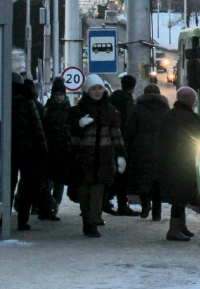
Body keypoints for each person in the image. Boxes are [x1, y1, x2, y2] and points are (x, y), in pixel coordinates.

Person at [68, 74, 127, 238]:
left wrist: (121, 154)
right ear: (87, 91)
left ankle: (93, 222)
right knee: (84, 193)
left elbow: (116, 134)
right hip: (83, 158)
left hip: (103, 157)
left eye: (99, 88)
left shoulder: (110, 111)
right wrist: (78, 126)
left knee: (97, 192)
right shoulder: (77, 111)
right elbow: (69, 136)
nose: (97, 92)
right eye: (93, 89)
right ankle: (87, 221)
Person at [158, 86, 200, 242]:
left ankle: (180, 226)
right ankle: (174, 228)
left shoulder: (169, 115)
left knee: (179, 194)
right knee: (180, 194)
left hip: (169, 160)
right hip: (184, 160)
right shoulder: (191, 118)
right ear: (190, 101)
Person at [9, 73, 48, 231]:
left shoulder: (1, 100)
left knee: (8, 185)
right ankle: (22, 219)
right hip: (28, 151)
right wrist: (44, 150)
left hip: (8, 151)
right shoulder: (28, 102)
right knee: (27, 186)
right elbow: (37, 128)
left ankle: (3, 216)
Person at [125, 83, 169, 221]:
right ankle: (157, 212)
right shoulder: (165, 109)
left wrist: (129, 147)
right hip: (161, 149)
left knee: (143, 179)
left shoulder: (137, 109)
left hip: (141, 149)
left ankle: (145, 205)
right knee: (157, 181)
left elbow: (129, 130)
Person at [106, 74, 139, 216]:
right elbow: (130, 124)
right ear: (133, 87)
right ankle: (121, 205)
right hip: (123, 143)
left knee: (113, 174)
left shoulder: (111, 100)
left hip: (109, 142)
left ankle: (105, 201)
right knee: (123, 176)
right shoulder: (128, 102)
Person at [41, 77, 73, 215]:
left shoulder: (69, 110)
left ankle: (55, 205)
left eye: (61, 95)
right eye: (57, 95)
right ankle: (48, 206)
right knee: (48, 180)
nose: (59, 97)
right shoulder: (47, 110)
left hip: (63, 150)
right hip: (49, 149)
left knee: (59, 181)